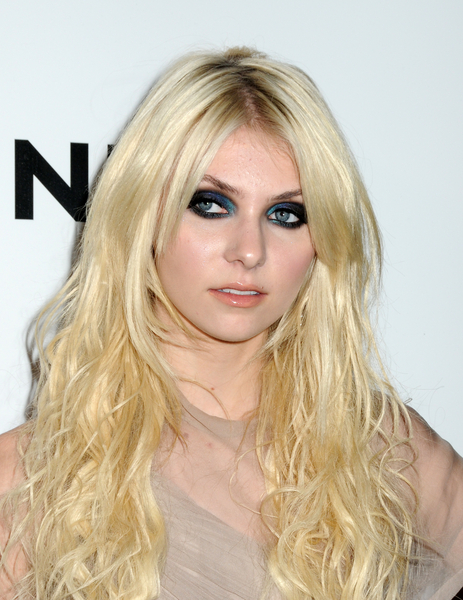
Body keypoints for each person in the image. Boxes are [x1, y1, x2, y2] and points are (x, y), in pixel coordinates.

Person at [0, 46, 462, 600]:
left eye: (286, 214)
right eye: (211, 204)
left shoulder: (384, 449)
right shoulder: (32, 478)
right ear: (143, 215)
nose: (249, 250)